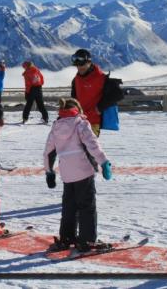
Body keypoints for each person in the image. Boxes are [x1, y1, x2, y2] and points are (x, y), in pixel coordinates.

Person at [43, 98, 113, 252]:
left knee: (69, 207)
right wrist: (104, 162)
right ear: (78, 109)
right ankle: (86, 240)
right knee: (87, 206)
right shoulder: (81, 124)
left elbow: (48, 152)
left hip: (67, 173)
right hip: (83, 171)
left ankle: (67, 238)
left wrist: (49, 172)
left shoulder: (56, 126)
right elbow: (92, 145)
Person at [71, 49, 123, 137]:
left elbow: (118, 94)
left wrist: (99, 108)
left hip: (93, 122)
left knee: (89, 148)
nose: (80, 67)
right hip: (79, 121)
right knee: (77, 149)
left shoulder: (100, 78)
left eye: (82, 64)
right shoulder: (76, 80)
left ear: (89, 62)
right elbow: (73, 99)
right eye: (77, 65)